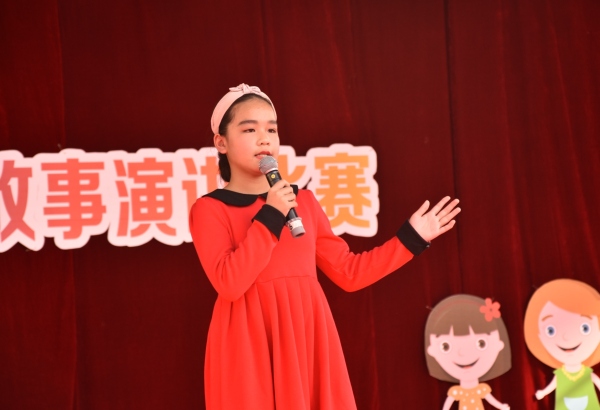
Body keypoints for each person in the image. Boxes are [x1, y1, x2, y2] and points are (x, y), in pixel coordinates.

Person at [189, 83, 461, 409]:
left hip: (307, 339)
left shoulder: (303, 201)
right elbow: (230, 283)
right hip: (249, 346)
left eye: (271, 129)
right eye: (249, 129)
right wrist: (271, 215)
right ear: (221, 142)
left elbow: (348, 272)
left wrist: (411, 238)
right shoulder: (209, 209)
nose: (264, 139)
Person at [524, 279, 600, 410]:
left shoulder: (587, 372)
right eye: (550, 331)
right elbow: (552, 386)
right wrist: (543, 393)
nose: (566, 337)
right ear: (538, 335)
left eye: (585, 328)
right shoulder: (560, 375)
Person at [425, 294, 511, 410]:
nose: (462, 353)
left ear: (499, 345)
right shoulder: (457, 391)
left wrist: (501, 406)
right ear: (432, 351)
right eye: (445, 346)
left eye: (481, 343)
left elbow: (490, 399)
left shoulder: (481, 389)